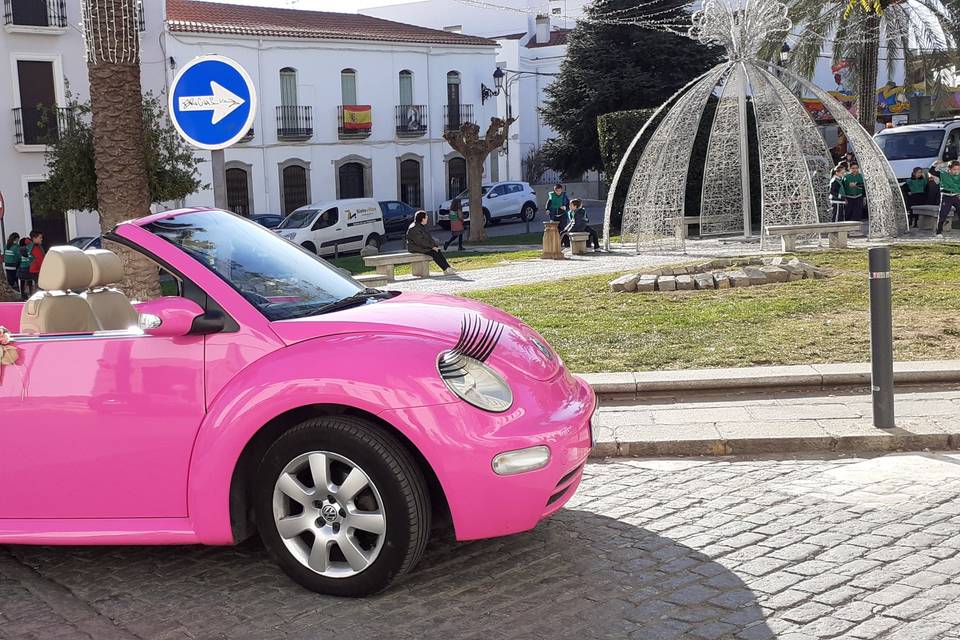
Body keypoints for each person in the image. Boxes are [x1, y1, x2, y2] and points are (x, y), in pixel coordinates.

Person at [407, 210, 456, 275]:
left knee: (437, 250)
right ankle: (445, 269)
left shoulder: (421, 226)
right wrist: (432, 247)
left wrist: (434, 246)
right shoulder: (414, 228)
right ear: (422, 219)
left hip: (422, 246)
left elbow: (428, 238)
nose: (427, 218)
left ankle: (448, 267)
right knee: (434, 253)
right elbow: (420, 242)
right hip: (415, 247)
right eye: (426, 217)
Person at [930, 159, 960, 239]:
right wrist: (935, 164)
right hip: (946, 196)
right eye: (954, 169)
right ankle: (938, 232)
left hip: (956, 196)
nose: (956, 171)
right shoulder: (943, 174)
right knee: (943, 214)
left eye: (958, 169)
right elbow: (931, 171)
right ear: (949, 169)